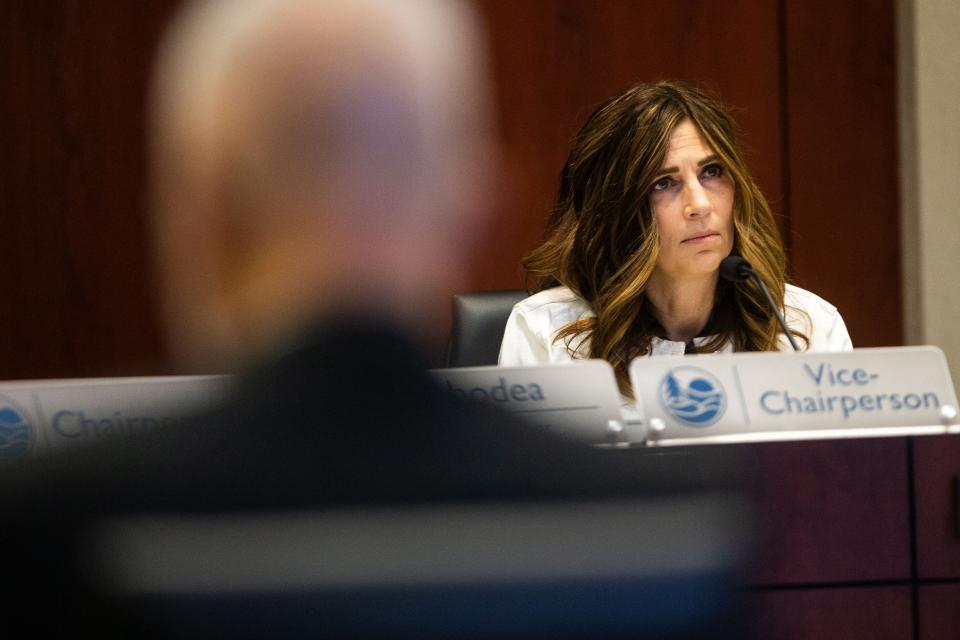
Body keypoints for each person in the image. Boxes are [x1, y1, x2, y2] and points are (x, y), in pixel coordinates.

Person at [0, 3, 748, 638]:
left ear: (200, 211)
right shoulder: (670, 533)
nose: (698, 200)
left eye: (713, 174)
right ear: (472, 210)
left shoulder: (45, 532)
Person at [499, 81, 852, 394]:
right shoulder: (546, 332)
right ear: (614, 209)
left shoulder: (806, 327)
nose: (699, 204)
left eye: (712, 172)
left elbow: (843, 465)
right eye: (663, 183)